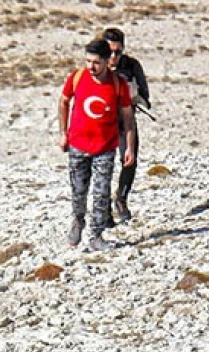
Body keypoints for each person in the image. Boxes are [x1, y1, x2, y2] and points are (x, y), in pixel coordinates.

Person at [58, 38, 136, 251]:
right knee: (79, 191)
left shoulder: (118, 84)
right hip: (78, 145)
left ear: (106, 60)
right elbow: (64, 102)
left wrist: (129, 147)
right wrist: (63, 133)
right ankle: (78, 221)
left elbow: (128, 117)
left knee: (101, 194)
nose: (91, 67)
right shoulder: (77, 77)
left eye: (96, 63)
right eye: (88, 61)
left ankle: (96, 236)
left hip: (105, 148)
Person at [103, 27, 150, 224]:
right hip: (102, 121)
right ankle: (103, 207)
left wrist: (133, 97)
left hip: (125, 119)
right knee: (102, 164)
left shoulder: (131, 66)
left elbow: (145, 95)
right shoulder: (96, 65)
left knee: (129, 160)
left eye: (118, 52)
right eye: (110, 51)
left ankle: (121, 198)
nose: (113, 56)